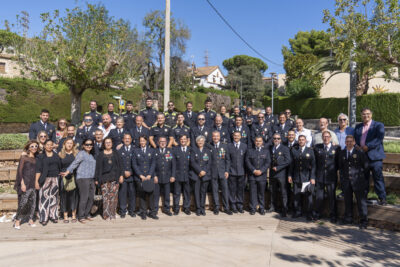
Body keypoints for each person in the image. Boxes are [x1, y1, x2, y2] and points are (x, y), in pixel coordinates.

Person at [354, 108, 387, 205]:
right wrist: (356, 146)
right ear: (361, 115)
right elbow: (355, 139)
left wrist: (368, 147)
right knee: (364, 179)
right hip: (363, 157)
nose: (366, 116)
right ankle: (364, 197)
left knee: (378, 177)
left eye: (368, 114)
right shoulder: (358, 126)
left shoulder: (378, 125)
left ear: (371, 115)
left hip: (375, 157)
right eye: (363, 114)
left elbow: (379, 139)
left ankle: (382, 198)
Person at [62, 138, 97, 223]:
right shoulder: (81, 154)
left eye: (90, 144)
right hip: (82, 178)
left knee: (91, 197)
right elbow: (75, 163)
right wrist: (67, 171)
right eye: (87, 144)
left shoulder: (91, 155)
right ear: (83, 145)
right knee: (84, 197)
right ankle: (81, 216)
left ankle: (86, 213)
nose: (89, 146)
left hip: (91, 178)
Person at [338, 135, 369, 229]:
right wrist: (343, 179)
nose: (349, 143)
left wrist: (362, 178)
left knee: (361, 201)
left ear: (354, 142)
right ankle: (348, 218)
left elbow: (366, 167)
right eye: (347, 141)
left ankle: (363, 221)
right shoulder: (342, 153)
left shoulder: (360, 152)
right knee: (347, 200)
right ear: (345, 143)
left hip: (358, 181)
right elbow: (341, 167)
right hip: (346, 181)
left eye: (351, 141)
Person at [314, 131, 340, 223]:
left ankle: (333, 215)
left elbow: (338, 163)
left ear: (330, 137)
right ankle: (317, 214)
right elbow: (315, 163)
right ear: (322, 137)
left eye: (327, 136)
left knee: (331, 197)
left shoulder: (336, 148)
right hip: (320, 177)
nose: (326, 138)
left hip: (331, 177)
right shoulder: (317, 148)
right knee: (319, 197)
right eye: (324, 137)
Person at [95, 137, 123, 220]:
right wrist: (96, 179)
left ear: (112, 143)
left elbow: (120, 165)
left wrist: (121, 175)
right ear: (104, 144)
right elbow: (98, 168)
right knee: (106, 198)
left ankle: (113, 213)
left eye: (109, 142)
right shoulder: (100, 154)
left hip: (115, 178)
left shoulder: (116, 153)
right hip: (104, 179)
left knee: (114, 197)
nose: (108, 144)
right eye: (106, 142)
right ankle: (106, 215)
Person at [288, 135, 316, 221]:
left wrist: (312, 177)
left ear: (306, 141)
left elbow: (314, 165)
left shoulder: (310, 151)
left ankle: (309, 213)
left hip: (306, 177)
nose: (301, 141)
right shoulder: (294, 150)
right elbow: (291, 164)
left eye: (303, 140)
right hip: (296, 177)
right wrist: (289, 175)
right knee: (296, 196)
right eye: (299, 140)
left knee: (308, 196)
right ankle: (298, 212)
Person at [13, 140, 39, 230]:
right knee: (23, 203)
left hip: (32, 183)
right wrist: (22, 183)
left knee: (32, 202)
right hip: (25, 182)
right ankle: (17, 220)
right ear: (28, 147)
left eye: (36, 146)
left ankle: (30, 219)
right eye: (32, 146)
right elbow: (19, 171)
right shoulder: (24, 157)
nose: (34, 148)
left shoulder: (36, 158)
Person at [35, 139, 61, 225]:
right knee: (43, 198)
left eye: (51, 144)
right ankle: (43, 218)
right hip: (44, 179)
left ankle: (53, 216)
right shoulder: (40, 156)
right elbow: (38, 170)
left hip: (55, 178)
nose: (49, 146)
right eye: (47, 145)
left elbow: (59, 167)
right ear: (44, 146)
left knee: (54, 198)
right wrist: (36, 182)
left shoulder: (56, 156)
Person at [132, 136, 157, 220]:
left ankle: (152, 212)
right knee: (142, 195)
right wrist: (140, 175)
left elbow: (153, 163)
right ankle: (143, 212)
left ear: (146, 141)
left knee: (151, 194)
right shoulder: (136, 151)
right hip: (140, 177)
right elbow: (134, 164)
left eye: (143, 141)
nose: (142, 142)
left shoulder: (152, 150)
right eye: (141, 141)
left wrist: (150, 175)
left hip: (149, 177)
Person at [246, 136, 271, 215]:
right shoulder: (250, 151)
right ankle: (253, 208)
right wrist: (253, 170)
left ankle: (261, 208)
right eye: (256, 141)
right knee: (252, 193)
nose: (258, 142)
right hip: (252, 175)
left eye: (259, 141)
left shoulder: (266, 151)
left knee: (261, 193)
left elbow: (268, 162)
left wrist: (261, 171)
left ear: (262, 142)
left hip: (262, 176)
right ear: (254, 142)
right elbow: (247, 161)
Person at [269, 133, 291, 217]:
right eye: (275, 138)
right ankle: (273, 206)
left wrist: (278, 168)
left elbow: (288, 161)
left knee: (283, 192)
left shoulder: (285, 148)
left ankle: (284, 209)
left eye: (278, 138)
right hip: (272, 174)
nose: (276, 140)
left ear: (281, 140)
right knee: (272, 191)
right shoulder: (271, 148)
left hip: (281, 174)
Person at [210, 131, 232, 215]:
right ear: (212, 137)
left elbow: (227, 160)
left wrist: (227, 170)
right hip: (213, 172)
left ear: (219, 137)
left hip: (223, 172)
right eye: (214, 136)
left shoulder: (224, 146)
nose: (215, 138)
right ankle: (216, 207)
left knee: (225, 190)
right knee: (214, 190)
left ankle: (226, 208)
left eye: (217, 136)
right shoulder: (209, 146)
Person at [190, 135, 212, 216]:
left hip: (205, 175)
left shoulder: (208, 150)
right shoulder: (193, 150)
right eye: (199, 141)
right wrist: (199, 171)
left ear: (204, 142)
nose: (200, 142)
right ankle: (198, 208)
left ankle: (203, 208)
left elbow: (209, 163)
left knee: (203, 192)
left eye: (202, 141)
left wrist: (204, 171)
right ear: (196, 142)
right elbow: (192, 162)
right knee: (196, 192)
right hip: (196, 175)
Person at [154, 136, 176, 216]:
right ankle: (155, 209)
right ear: (158, 143)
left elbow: (173, 165)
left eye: (164, 141)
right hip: (157, 177)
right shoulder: (155, 151)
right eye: (161, 142)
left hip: (167, 177)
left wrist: (173, 176)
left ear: (166, 143)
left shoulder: (170, 151)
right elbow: (152, 165)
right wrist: (154, 175)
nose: (162, 143)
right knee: (156, 195)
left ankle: (167, 209)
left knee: (167, 194)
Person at [58, 138, 79, 223]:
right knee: (64, 197)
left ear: (73, 145)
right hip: (63, 177)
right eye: (67, 143)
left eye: (71, 143)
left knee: (73, 196)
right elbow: (58, 166)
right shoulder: (60, 154)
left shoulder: (76, 154)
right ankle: (65, 215)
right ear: (64, 145)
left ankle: (74, 215)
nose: (69, 145)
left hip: (74, 177)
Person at [227, 131, 248, 213]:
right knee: (232, 189)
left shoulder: (244, 146)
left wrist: (246, 171)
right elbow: (228, 160)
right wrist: (228, 171)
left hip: (242, 172)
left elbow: (246, 160)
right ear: (233, 136)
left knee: (240, 190)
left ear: (240, 137)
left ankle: (240, 205)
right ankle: (233, 205)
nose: (236, 137)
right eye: (235, 136)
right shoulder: (229, 146)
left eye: (237, 136)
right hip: (232, 172)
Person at [117, 133, 136, 218]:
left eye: (129, 138)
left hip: (132, 176)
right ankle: (122, 211)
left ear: (131, 140)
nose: (127, 140)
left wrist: (131, 172)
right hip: (122, 176)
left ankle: (132, 211)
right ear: (123, 140)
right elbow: (117, 164)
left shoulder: (135, 149)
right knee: (122, 194)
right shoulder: (119, 150)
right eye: (125, 138)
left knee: (132, 194)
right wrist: (122, 173)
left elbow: (137, 164)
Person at [172, 135, 192, 215]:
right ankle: (176, 208)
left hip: (187, 175)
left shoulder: (191, 150)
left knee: (187, 192)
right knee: (177, 193)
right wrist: (173, 175)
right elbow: (173, 164)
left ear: (187, 140)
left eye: (184, 139)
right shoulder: (175, 149)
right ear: (179, 140)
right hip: (178, 175)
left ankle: (186, 208)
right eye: (181, 139)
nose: (183, 141)